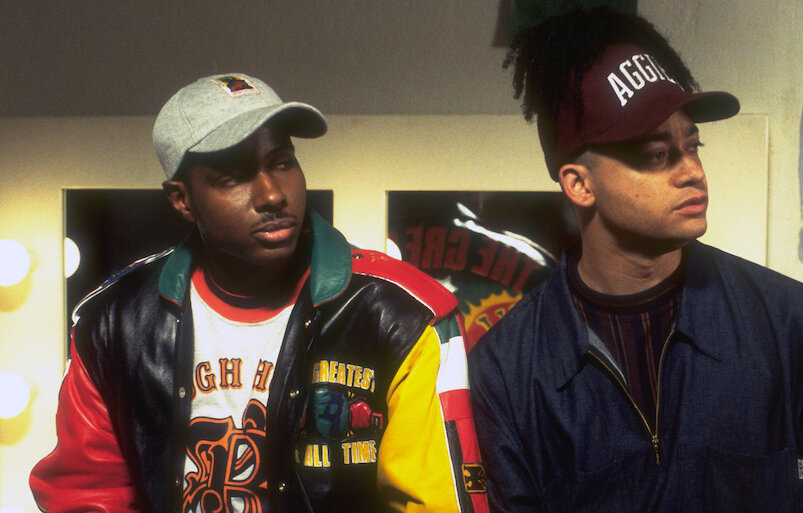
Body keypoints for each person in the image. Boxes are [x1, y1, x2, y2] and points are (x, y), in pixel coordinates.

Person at [467, 7, 803, 513]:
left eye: (693, 146)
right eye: (657, 154)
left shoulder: (795, 327)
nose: (693, 172)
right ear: (579, 184)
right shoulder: (509, 370)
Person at [31, 73, 488, 513]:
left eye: (282, 162)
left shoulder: (406, 313)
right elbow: (86, 493)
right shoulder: (113, 320)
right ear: (182, 199)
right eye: (233, 176)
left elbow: (439, 503)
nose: (272, 195)